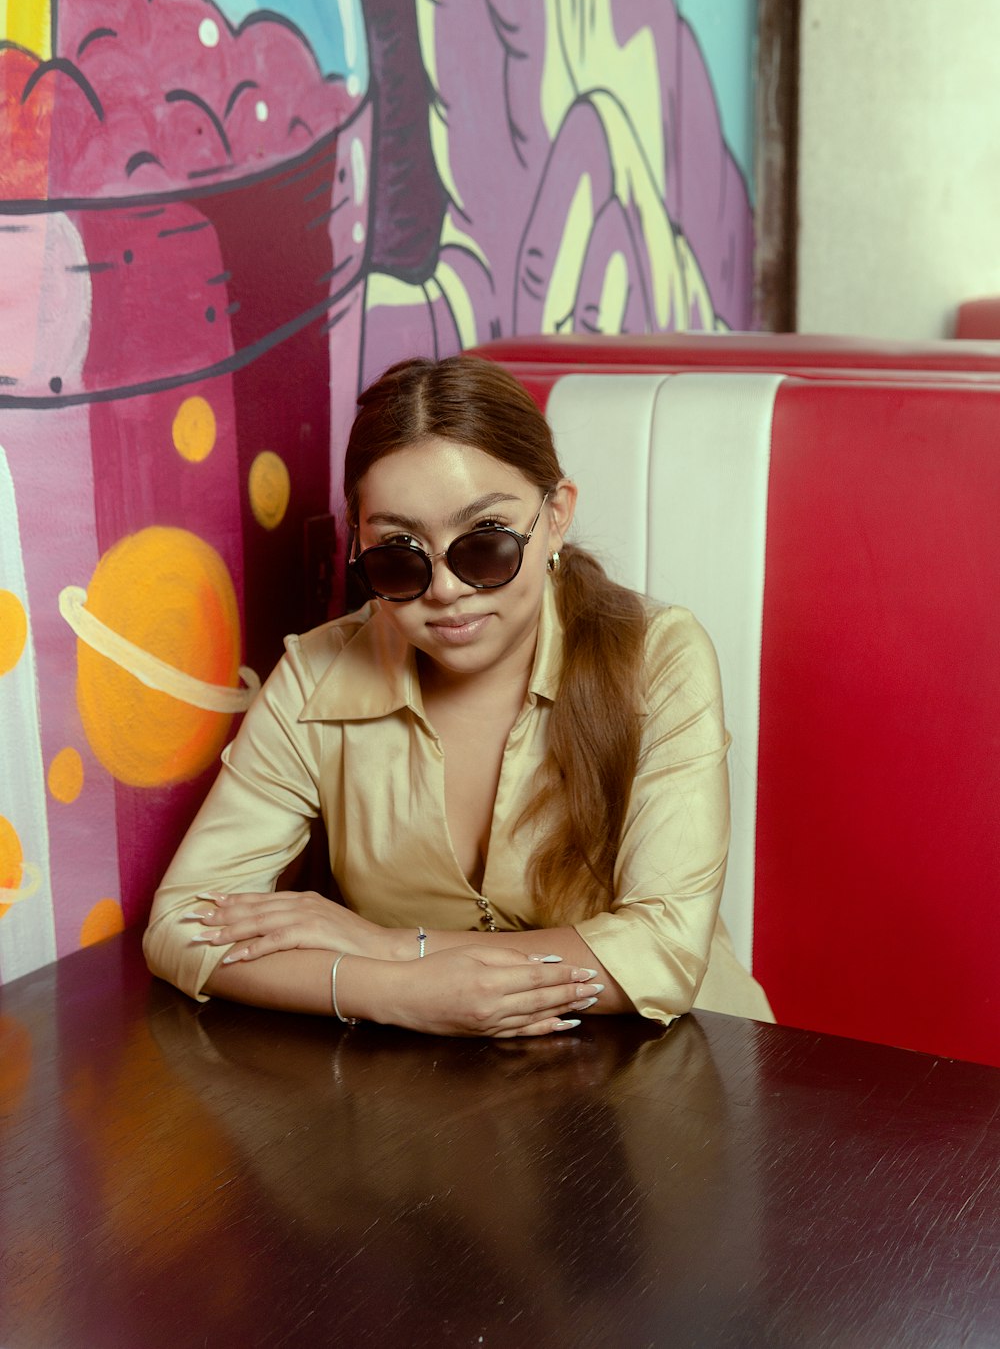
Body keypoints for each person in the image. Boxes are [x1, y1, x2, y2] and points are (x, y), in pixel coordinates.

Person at [144, 355, 772, 1037]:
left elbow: (663, 952)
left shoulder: (661, 657)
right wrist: (388, 992)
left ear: (556, 514)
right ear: (358, 544)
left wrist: (390, 947)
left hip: (684, 1060)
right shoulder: (314, 675)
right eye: (399, 553)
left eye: (485, 545)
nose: (445, 589)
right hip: (444, 1093)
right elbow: (182, 923)